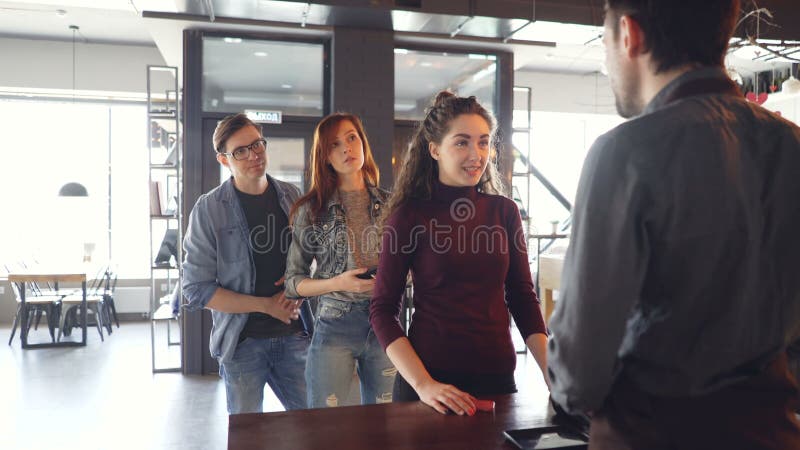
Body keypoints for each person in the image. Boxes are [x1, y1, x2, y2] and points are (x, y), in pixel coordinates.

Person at [547, 1, 800, 448]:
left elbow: (578, 372)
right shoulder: (790, 144)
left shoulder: (624, 152)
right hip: (771, 432)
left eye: (605, 42)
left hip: (651, 433)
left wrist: (568, 396)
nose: (607, 65)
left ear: (629, 35)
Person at [370, 91, 549, 415]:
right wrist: (424, 385)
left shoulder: (504, 211)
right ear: (435, 149)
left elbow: (523, 296)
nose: (476, 154)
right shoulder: (409, 216)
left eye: (483, 142)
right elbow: (383, 310)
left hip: (496, 380)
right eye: (462, 142)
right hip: (431, 387)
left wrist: (552, 373)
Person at [182, 113, 313, 414]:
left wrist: (300, 288)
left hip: (295, 336)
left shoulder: (291, 196)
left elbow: (311, 259)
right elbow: (196, 288)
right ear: (224, 160)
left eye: (257, 145)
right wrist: (265, 305)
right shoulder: (209, 209)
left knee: (314, 429)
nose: (253, 155)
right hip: (242, 343)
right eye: (241, 151)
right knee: (248, 437)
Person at [284, 113, 396, 408]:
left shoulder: (391, 203)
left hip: (385, 322)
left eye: (352, 138)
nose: (347, 148)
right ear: (325, 158)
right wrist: (337, 283)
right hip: (335, 324)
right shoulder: (311, 211)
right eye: (335, 145)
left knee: (389, 426)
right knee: (326, 427)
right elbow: (293, 283)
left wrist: (393, 278)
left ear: (363, 143)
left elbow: (410, 266)